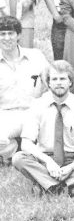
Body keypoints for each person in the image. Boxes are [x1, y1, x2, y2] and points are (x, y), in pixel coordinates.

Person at [12, 61, 74, 195]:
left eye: (63, 79)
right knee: (18, 158)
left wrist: (71, 167)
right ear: (48, 83)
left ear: (70, 82)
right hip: (45, 159)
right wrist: (48, 162)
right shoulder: (37, 105)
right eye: (54, 79)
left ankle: (48, 186)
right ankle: (68, 188)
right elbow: (26, 143)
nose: (59, 82)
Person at [0, 15, 48, 163]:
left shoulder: (36, 56)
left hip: (33, 113)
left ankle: (20, 149)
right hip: (6, 115)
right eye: (2, 34)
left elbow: (51, 84)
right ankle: (17, 147)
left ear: (19, 35)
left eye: (11, 33)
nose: (7, 38)